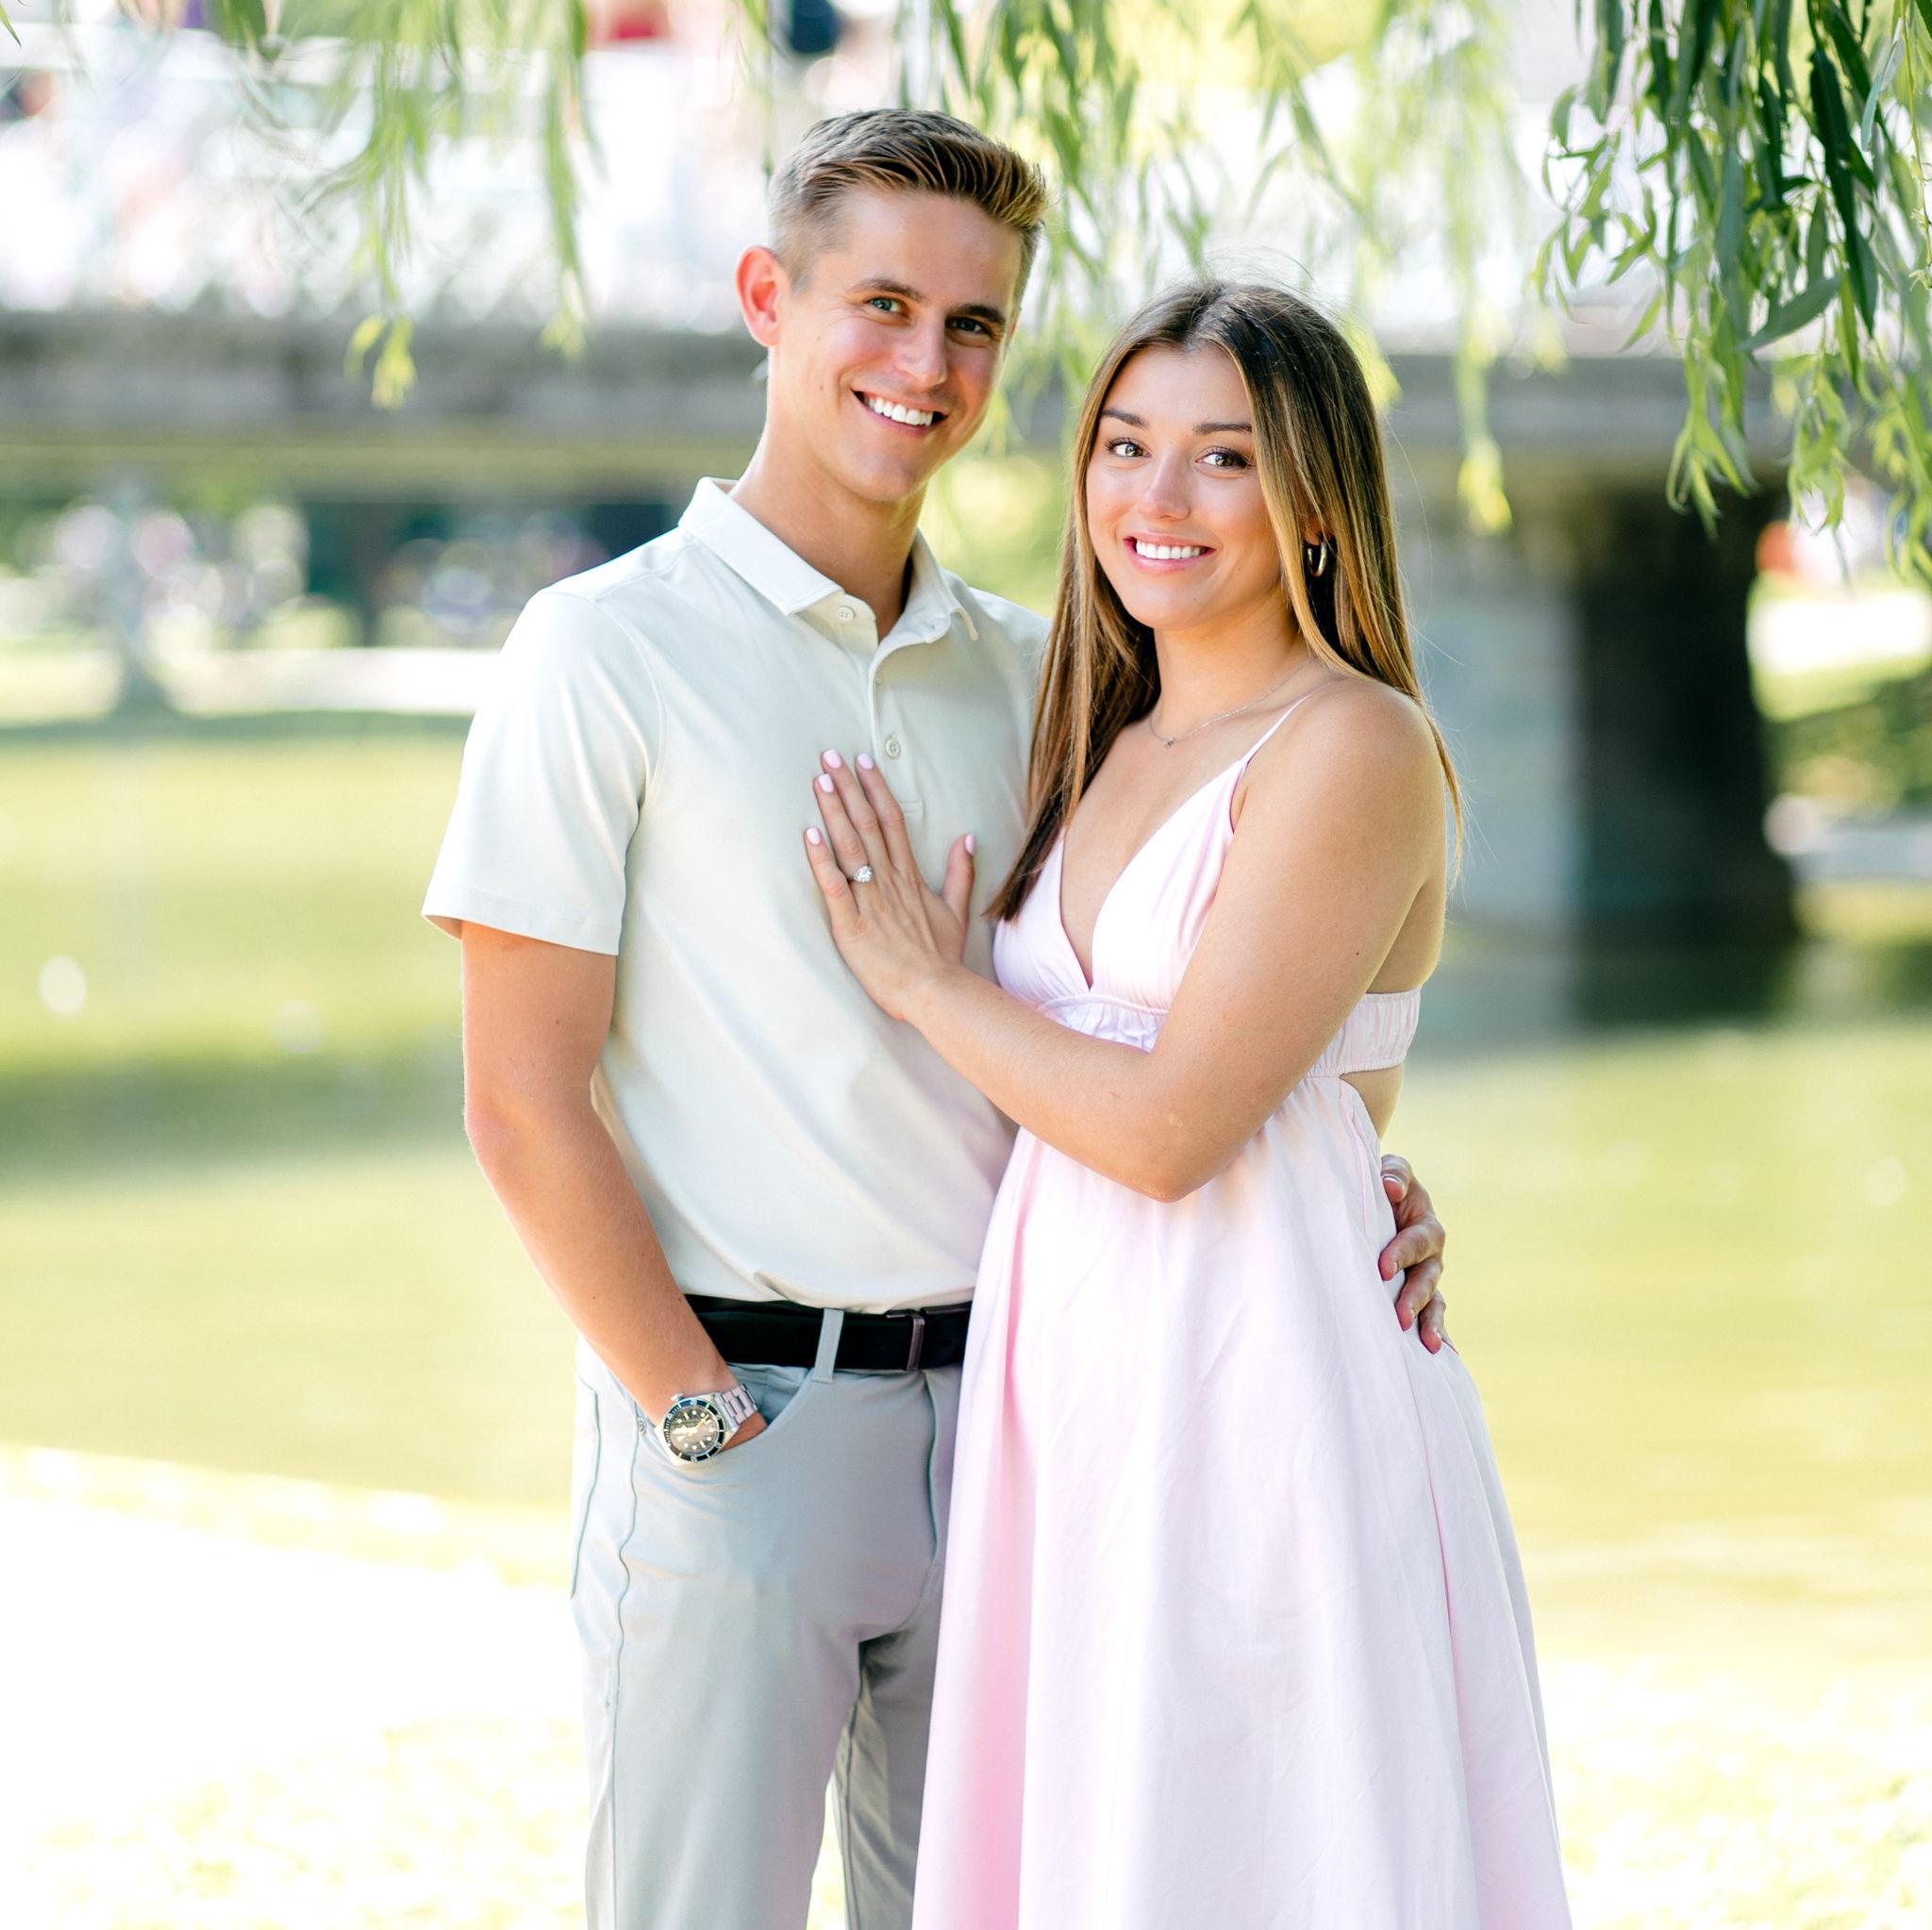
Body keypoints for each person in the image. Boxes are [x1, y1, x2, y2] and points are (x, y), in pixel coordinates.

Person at [425, 113, 1452, 1930]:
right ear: (769, 297)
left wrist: (1346, 1178)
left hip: (1039, 1428)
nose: (928, 363)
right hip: (746, 1420)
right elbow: (520, 1103)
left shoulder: (1052, 677)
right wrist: (695, 1423)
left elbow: (1184, 1008)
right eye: (883, 305)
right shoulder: (599, 650)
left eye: (975, 324)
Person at [801, 280, 1572, 1928]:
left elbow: (1171, 1129)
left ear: (1315, 499)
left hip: (1258, 1375)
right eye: (1125, 445)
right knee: (1110, 1830)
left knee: (1261, 1825)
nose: (1158, 496)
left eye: (1224, 456)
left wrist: (926, 981)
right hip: (1079, 1374)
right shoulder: (1102, 731)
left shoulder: (1354, 745)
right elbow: (1304, 1090)